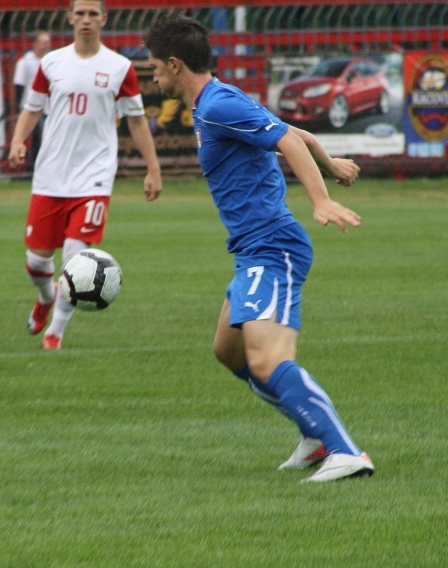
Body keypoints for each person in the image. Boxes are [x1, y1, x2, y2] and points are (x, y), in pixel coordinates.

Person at [143, 16, 374, 482]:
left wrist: (322, 199)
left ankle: (345, 452)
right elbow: (296, 134)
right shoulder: (217, 101)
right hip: (252, 250)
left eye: (154, 68)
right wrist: (332, 166)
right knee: (228, 351)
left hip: (273, 246)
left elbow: (287, 139)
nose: (152, 77)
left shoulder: (217, 106)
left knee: (268, 359)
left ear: (174, 64)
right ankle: (313, 436)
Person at [8, 0, 162, 350]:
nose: (87, 20)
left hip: (94, 177)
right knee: (37, 260)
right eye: (81, 13)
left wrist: (153, 169)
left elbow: (137, 121)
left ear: (104, 19)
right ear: (70, 18)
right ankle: (46, 298)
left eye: (94, 13)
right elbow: (31, 109)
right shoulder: (51, 63)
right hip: (50, 175)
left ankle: (55, 333)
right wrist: (18, 141)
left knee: (75, 259)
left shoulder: (120, 67)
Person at [12, 30, 52, 170]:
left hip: (49, 107)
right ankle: (34, 166)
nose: (46, 46)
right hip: (31, 106)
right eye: (43, 43)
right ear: (35, 44)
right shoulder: (25, 62)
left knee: (47, 137)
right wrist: (18, 106)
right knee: (37, 137)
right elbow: (19, 85)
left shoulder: (50, 61)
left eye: (48, 42)